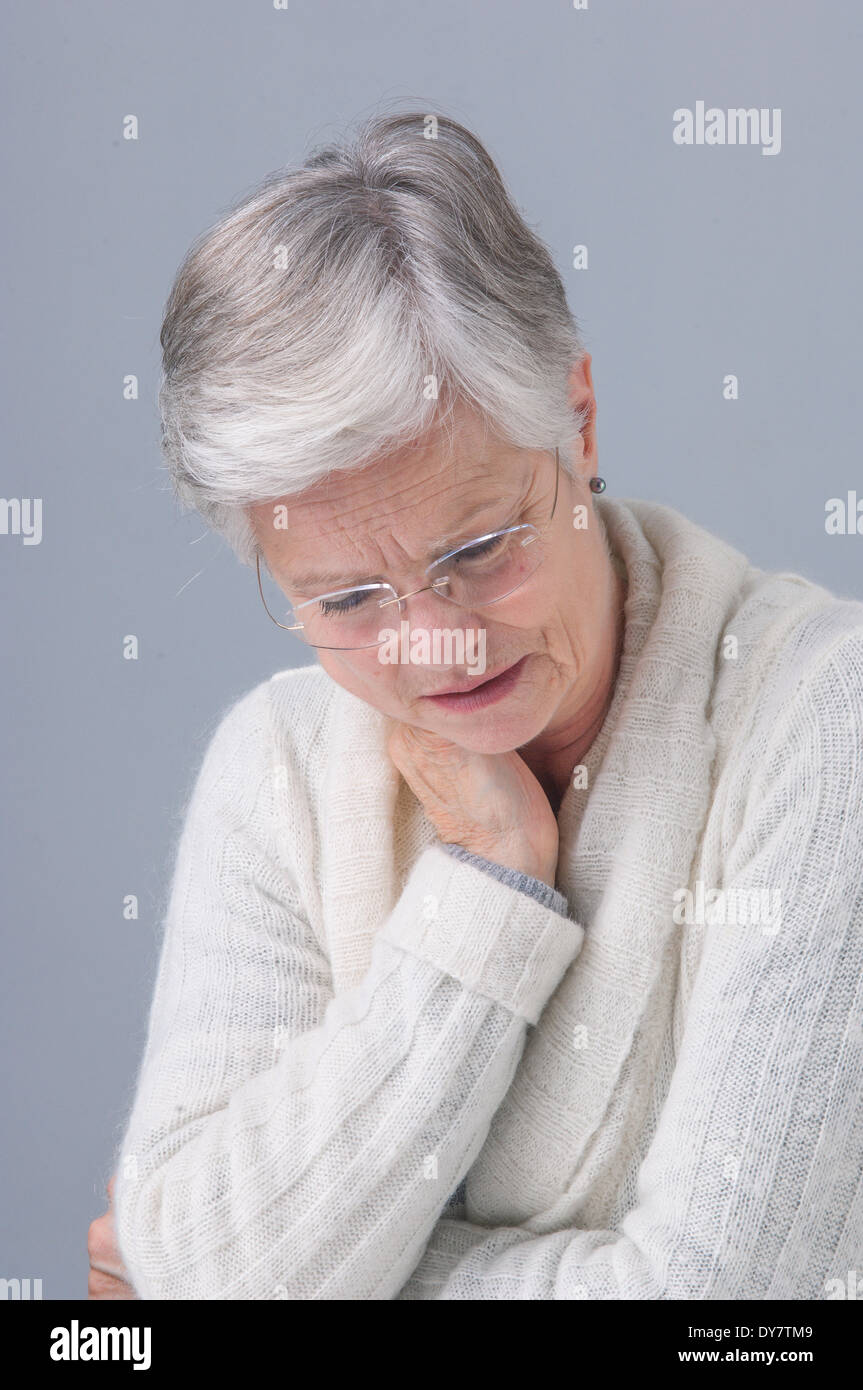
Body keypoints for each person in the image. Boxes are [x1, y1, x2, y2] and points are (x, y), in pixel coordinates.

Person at [89, 110, 863, 1300]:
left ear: (578, 417)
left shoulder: (818, 723)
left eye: (480, 546)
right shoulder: (279, 768)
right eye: (345, 596)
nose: (432, 641)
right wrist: (490, 876)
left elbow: (728, 1313)